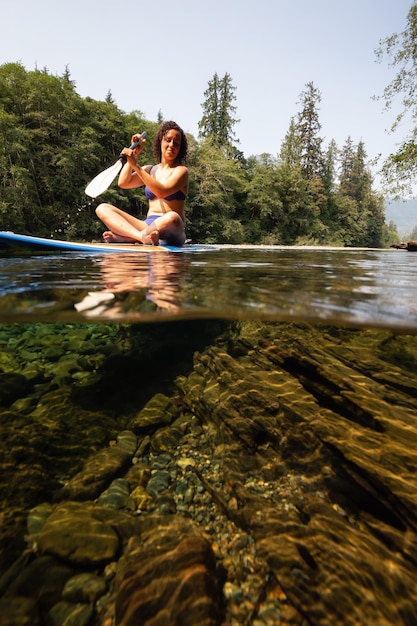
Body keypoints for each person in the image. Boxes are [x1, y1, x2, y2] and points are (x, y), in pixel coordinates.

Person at [96, 120, 188, 246]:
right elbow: (123, 182)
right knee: (102, 208)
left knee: (172, 217)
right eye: (168, 140)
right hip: (147, 225)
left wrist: (136, 166)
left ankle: (127, 238)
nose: (171, 145)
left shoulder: (181, 171)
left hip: (172, 227)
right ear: (160, 141)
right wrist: (134, 154)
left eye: (176, 143)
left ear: (180, 148)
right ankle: (140, 236)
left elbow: (162, 192)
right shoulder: (149, 170)